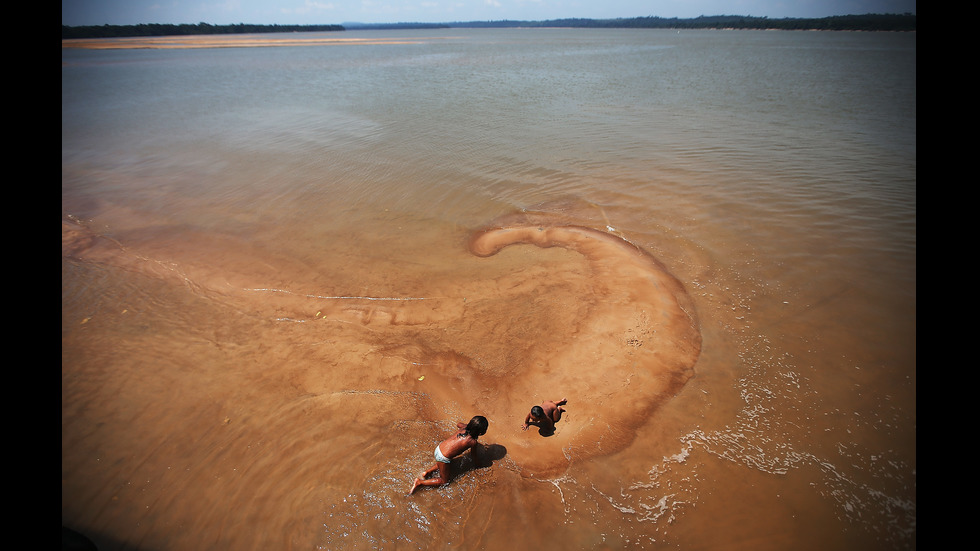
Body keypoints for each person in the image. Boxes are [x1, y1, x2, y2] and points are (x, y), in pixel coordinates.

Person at [409, 416, 488, 495]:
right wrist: (479, 465)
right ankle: (420, 482)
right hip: (442, 457)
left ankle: (427, 472)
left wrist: (467, 425)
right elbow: (474, 455)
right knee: (444, 481)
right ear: (480, 433)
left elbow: (458, 424)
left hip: (439, 448)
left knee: (446, 463)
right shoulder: (472, 442)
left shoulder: (464, 427)